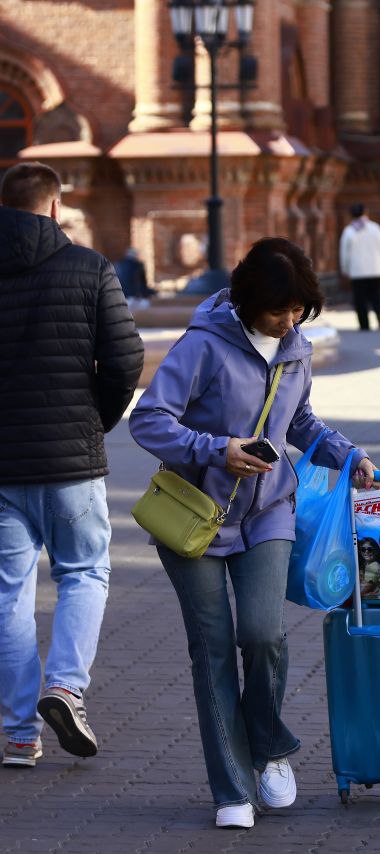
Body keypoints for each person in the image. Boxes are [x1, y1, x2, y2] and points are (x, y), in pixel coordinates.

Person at [129, 238, 377, 828]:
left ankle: (266, 749)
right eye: (278, 310)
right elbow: (148, 419)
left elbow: (301, 421)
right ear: (246, 302)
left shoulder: (297, 348)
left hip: (268, 512)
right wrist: (219, 450)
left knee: (263, 635)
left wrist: (349, 455)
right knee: (212, 648)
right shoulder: (203, 346)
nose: (289, 321)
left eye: (299, 310)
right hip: (193, 517)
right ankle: (232, 789)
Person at [0, 162, 144, 769]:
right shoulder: (89, 267)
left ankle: (17, 735)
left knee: (9, 594)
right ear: (55, 207)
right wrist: (96, 420)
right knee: (84, 572)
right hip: (71, 463)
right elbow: (126, 360)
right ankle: (64, 687)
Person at [339, 203, 380, 331]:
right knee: (376, 296)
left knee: (360, 299)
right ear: (366, 212)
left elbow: (344, 252)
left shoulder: (349, 231)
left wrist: (345, 268)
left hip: (357, 271)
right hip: (376, 269)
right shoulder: (375, 228)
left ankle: (364, 324)